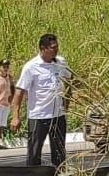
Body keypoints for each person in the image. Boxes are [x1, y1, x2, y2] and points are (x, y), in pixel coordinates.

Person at [11, 33, 72, 168]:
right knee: (34, 152)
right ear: (42, 48)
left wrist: (67, 102)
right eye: (53, 48)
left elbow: (70, 80)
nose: (56, 50)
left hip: (58, 115)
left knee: (59, 152)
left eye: (57, 47)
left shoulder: (60, 62)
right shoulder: (31, 67)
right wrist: (15, 116)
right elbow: (19, 92)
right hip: (39, 116)